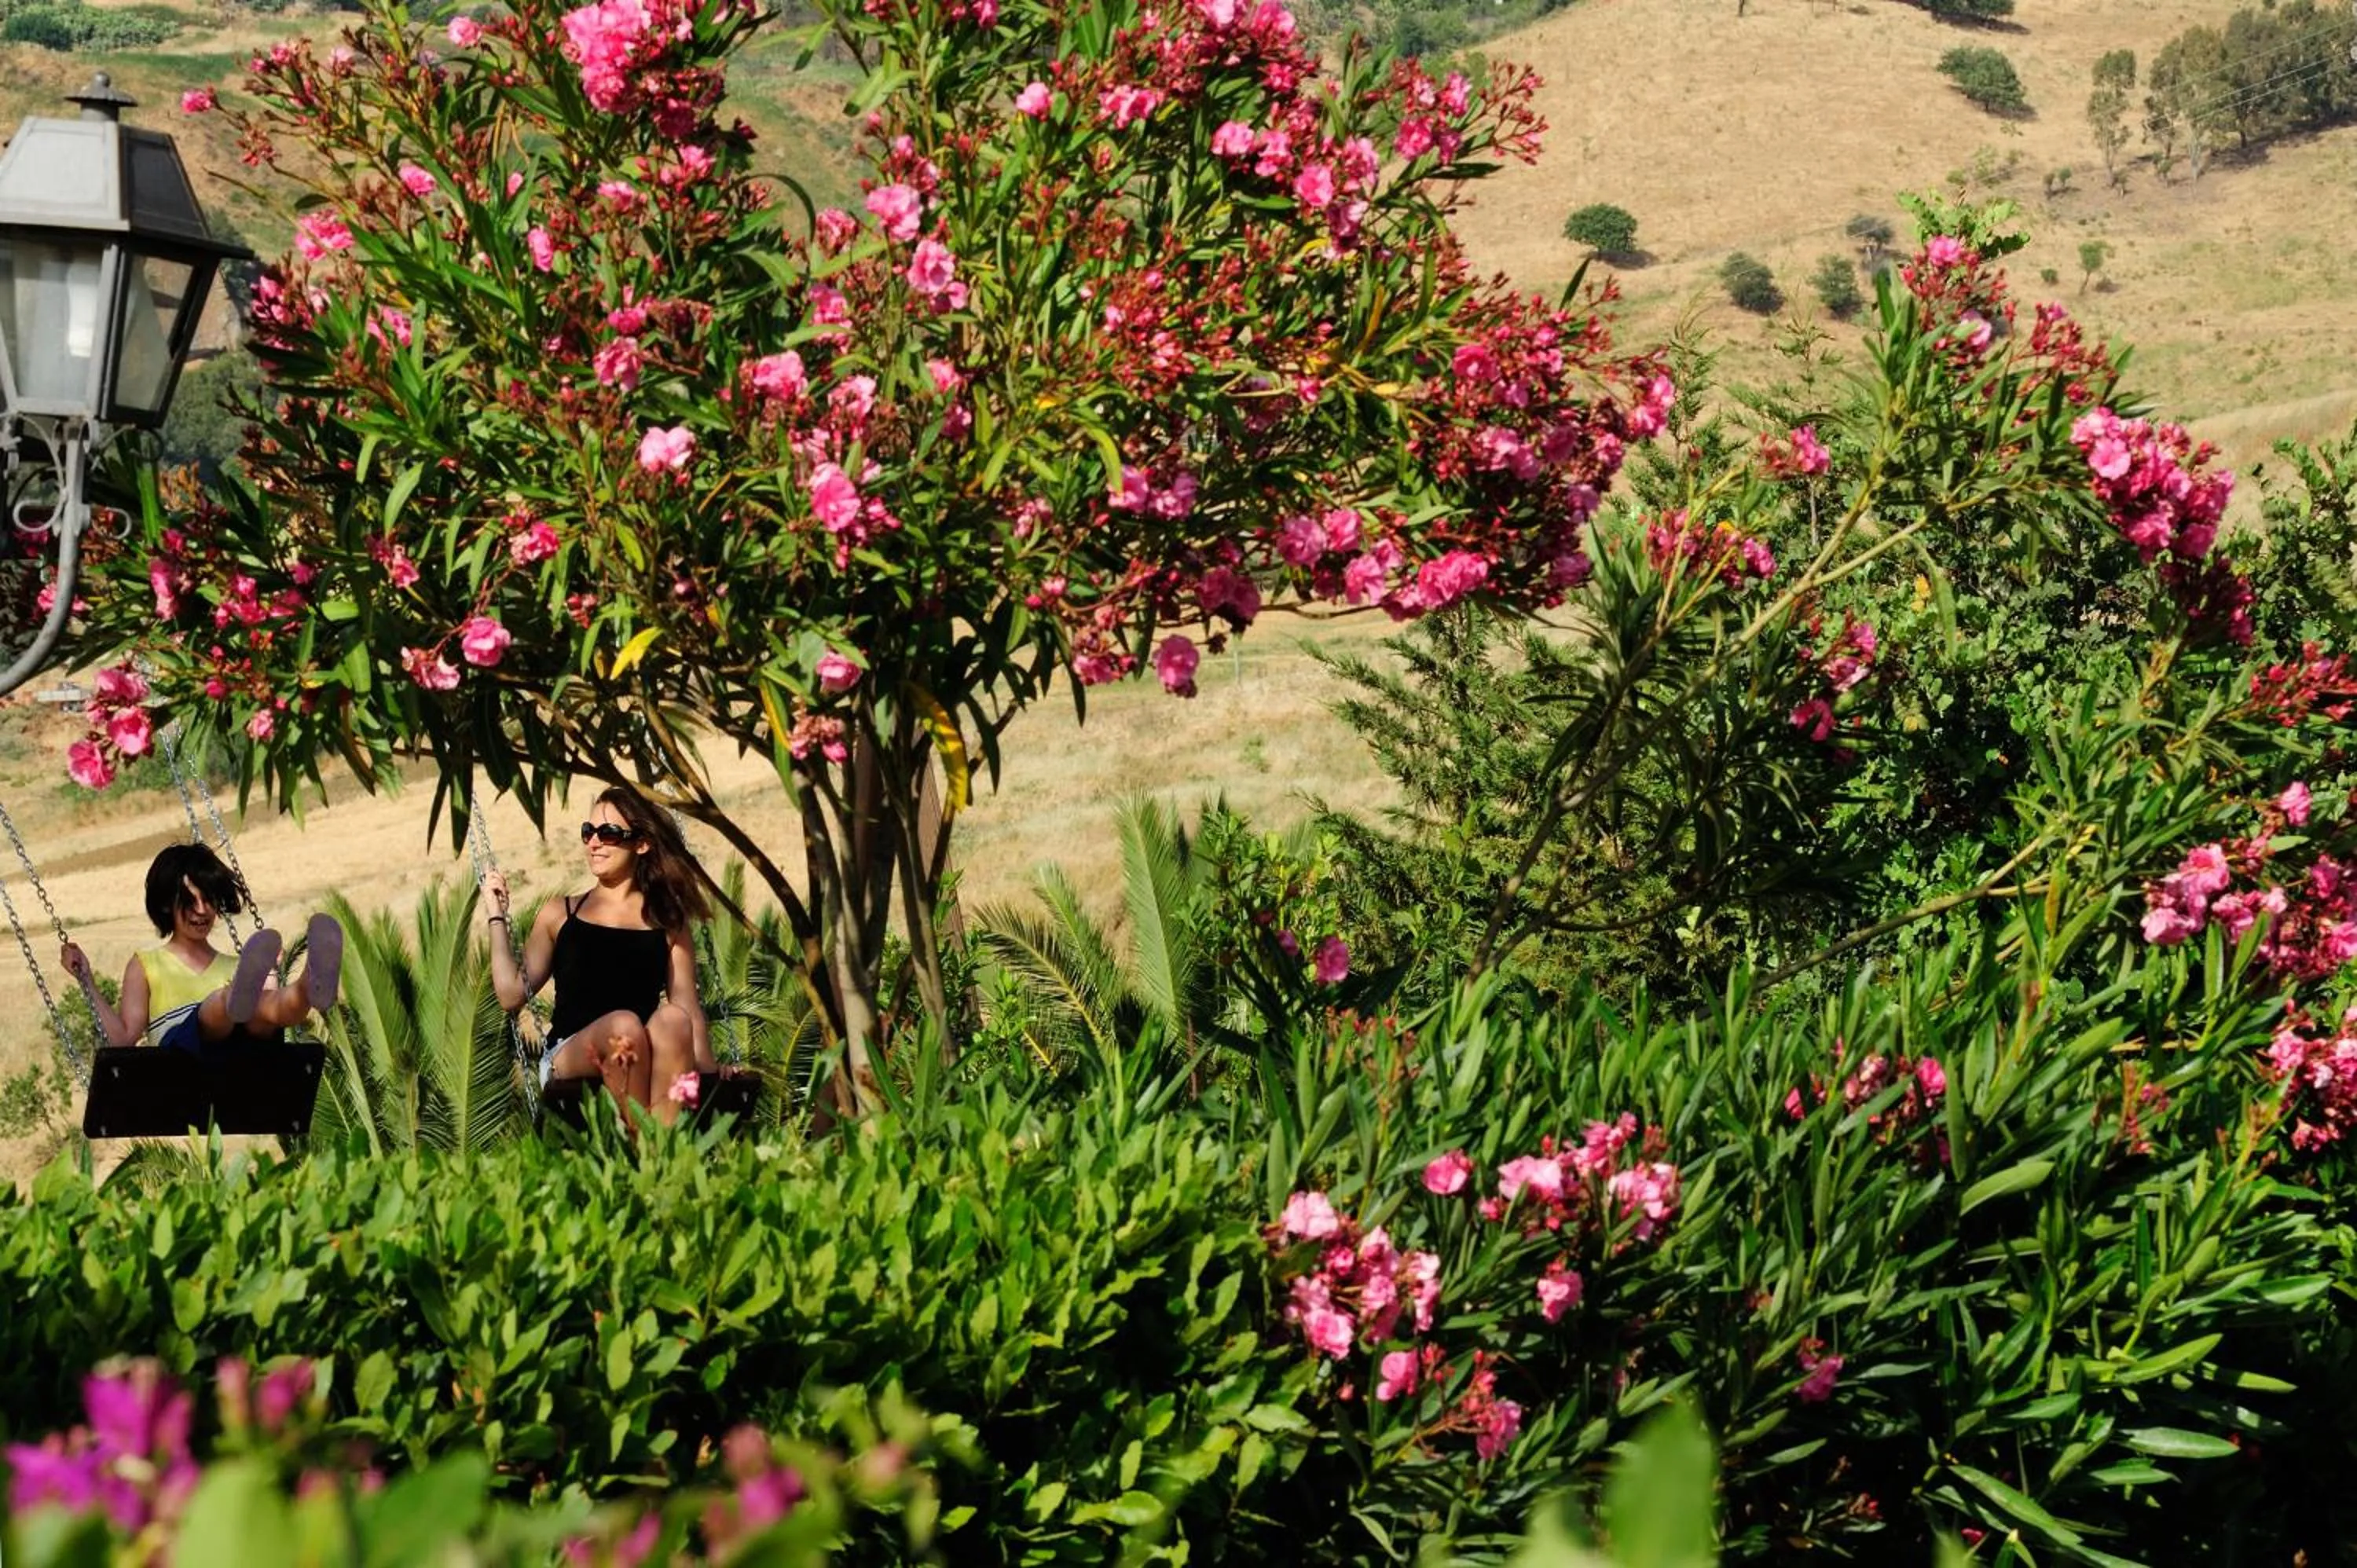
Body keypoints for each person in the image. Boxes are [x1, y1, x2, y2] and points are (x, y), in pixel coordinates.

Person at [480, 782, 714, 1126]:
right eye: (588, 831)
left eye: (609, 833)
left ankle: (662, 1148)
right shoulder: (561, 914)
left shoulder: (668, 922)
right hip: (570, 1052)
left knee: (673, 1020)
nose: (594, 842)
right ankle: (645, 1148)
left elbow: (688, 1007)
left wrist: (710, 1069)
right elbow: (511, 992)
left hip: (639, 1046)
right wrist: (496, 915)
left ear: (642, 843)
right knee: (625, 1026)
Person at [58, 842, 343, 1053]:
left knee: (265, 1008)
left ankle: (308, 984)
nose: (202, 911)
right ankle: (231, 999)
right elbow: (123, 1040)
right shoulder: (147, 965)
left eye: (209, 900)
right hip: (180, 1061)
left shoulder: (238, 967)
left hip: (239, 1062)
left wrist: (270, 976)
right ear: (166, 904)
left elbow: (268, 1022)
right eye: (190, 901)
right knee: (218, 1004)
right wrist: (87, 982)